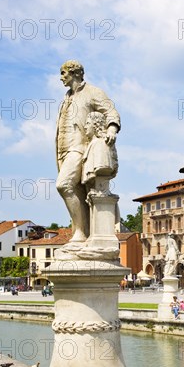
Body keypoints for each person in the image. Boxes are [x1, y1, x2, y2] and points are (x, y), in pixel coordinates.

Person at [56, 60, 120, 244]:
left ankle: (80, 233)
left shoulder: (93, 92)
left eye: (64, 73)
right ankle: (82, 233)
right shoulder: (66, 99)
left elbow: (111, 111)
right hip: (64, 152)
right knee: (78, 193)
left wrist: (112, 129)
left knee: (63, 185)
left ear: (76, 73)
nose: (61, 78)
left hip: (81, 149)